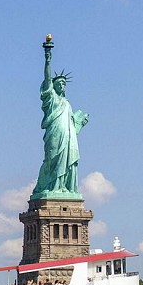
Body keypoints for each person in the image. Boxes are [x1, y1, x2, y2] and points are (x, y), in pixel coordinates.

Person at [32, 36, 89, 197]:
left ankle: (65, 187)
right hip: (55, 133)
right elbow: (47, 78)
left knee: (69, 159)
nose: (62, 85)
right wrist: (47, 59)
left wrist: (80, 124)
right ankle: (53, 186)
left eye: (64, 83)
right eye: (59, 82)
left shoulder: (67, 103)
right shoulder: (51, 98)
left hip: (68, 135)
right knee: (53, 159)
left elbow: (72, 126)